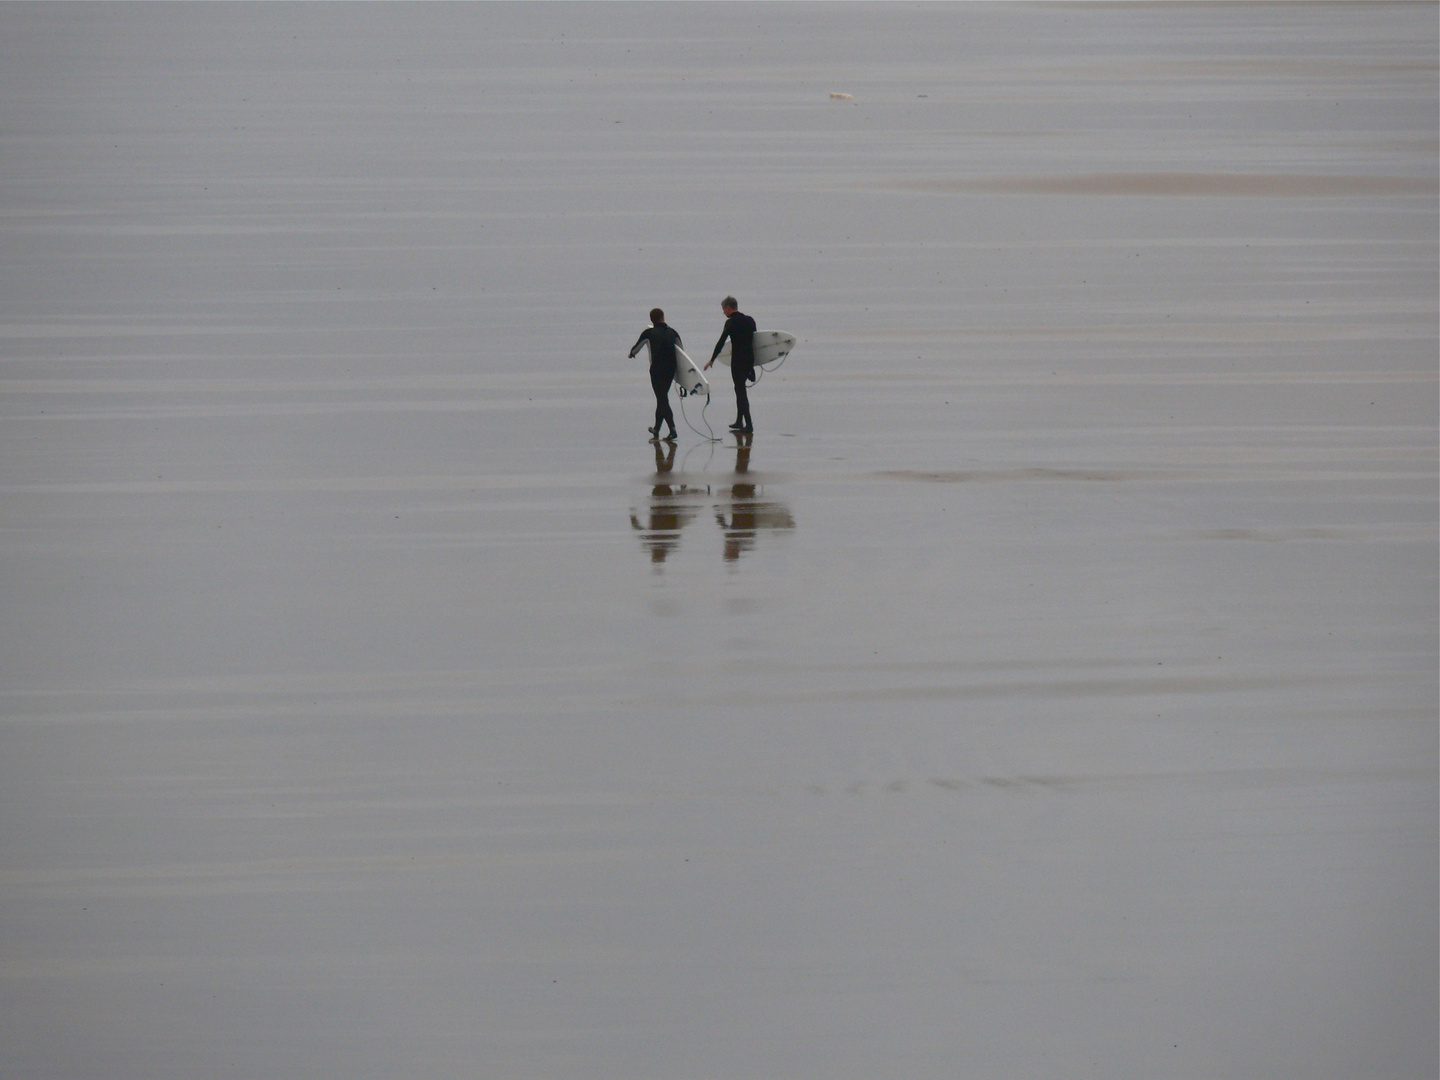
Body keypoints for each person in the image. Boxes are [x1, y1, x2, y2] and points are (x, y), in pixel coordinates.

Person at [704, 295, 757, 432]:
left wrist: (712, 359)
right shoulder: (750, 320)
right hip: (749, 360)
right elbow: (756, 341)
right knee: (739, 389)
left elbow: (721, 342)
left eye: (723, 309)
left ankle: (749, 424)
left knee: (740, 392)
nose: (723, 312)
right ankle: (739, 421)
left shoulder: (731, 322)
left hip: (738, 361)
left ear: (728, 308)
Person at [628, 308, 680, 441]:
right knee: (662, 398)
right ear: (663, 317)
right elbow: (682, 353)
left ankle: (672, 429)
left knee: (662, 399)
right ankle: (656, 429)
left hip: (657, 370)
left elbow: (636, 348)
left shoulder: (649, 333)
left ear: (652, 320)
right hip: (670, 370)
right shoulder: (673, 333)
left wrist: (631, 354)